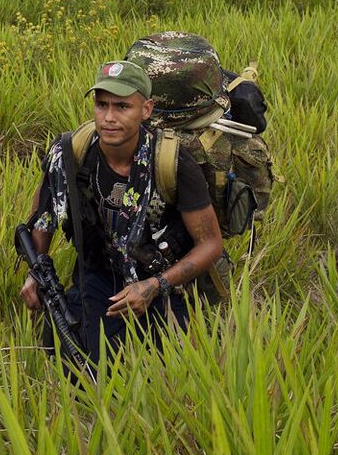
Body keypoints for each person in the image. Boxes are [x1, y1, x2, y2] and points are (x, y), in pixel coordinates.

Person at [21, 61, 223, 362]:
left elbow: (210, 243)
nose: (109, 117)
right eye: (101, 105)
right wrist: (35, 273)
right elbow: (45, 216)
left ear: (146, 109)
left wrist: (154, 286)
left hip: (163, 278)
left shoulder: (171, 163)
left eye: (122, 106)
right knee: (77, 362)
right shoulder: (71, 151)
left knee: (178, 365)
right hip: (101, 271)